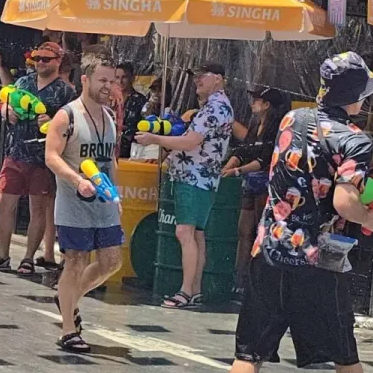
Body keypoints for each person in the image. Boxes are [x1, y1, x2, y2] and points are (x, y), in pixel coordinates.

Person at [210, 52, 373, 373]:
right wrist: (372, 217)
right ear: (352, 95)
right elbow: (344, 202)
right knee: (344, 349)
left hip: (271, 248)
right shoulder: (356, 140)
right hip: (318, 259)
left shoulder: (293, 118)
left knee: (251, 346)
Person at [135, 63, 234, 309]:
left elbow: (191, 142)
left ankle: (186, 290)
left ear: (219, 79)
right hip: (201, 178)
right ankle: (195, 289)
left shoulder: (215, 108)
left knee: (184, 232)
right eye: (195, 76)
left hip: (194, 177)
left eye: (203, 76)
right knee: (196, 234)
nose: (197, 80)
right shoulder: (215, 107)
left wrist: (154, 138)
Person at [45, 50, 123, 352]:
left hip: (104, 202)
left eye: (113, 80)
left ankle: (68, 298)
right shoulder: (68, 115)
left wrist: (116, 193)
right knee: (76, 260)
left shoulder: (109, 116)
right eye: (103, 79)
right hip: (74, 202)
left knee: (111, 263)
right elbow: (51, 156)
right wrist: (77, 180)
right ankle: (68, 329)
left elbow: (110, 159)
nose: (109, 85)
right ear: (86, 79)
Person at [0, 42, 77, 275]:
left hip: (43, 157)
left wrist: (52, 123)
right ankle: (2, 254)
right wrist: (6, 113)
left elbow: (72, 124)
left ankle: (29, 257)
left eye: (46, 59)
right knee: (4, 202)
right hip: (15, 150)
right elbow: (5, 105)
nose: (40, 62)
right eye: (37, 58)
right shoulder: (23, 82)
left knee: (38, 208)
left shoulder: (66, 91)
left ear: (58, 61)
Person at [221, 87, 286, 299]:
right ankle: (240, 279)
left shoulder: (276, 128)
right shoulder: (255, 125)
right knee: (243, 231)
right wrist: (229, 165)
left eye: (257, 100)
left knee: (261, 232)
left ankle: (257, 282)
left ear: (267, 104)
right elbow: (243, 150)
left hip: (267, 185)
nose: (252, 103)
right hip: (250, 184)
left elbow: (265, 160)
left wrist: (236, 170)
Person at [117, 62, 148, 158]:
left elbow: (145, 128)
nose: (120, 81)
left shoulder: (141, 100)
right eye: (117, 77)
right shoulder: (108, 99)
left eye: (124, 77)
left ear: (132, 78)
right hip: (108, 150)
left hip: (131, 152)